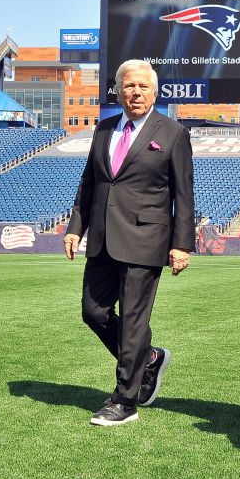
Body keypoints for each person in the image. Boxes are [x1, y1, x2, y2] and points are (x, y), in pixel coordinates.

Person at [64, 59, 195, 427]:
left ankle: (125, 400)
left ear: (155, 92)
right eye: (128, 86)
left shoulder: (171, 133)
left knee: (135, 320)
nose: (135, 92)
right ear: (118, 91)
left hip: (145, 239)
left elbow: (184, 195)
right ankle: (149, 358)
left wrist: (181, 244)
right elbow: (89, 183)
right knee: (94, 312)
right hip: (103, 238)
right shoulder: (104, 129)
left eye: (143, 87)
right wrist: (77, 226)